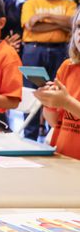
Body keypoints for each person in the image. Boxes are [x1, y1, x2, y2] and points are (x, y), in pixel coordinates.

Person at [20, 0, 76, 139]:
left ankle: (56, 137)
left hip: (61, 51)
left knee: (58, 91)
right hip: (34, 51)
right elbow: (31, 26)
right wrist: (61, 24)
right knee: (32, 93)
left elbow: (72, 22)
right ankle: (29, 138)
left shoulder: (68, 4)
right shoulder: (30, 4)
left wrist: (44, 15)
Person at [35, 10, 80, 159]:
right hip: (62, 156)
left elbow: (67, 104)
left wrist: (66, 102)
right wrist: (49, 103)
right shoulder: (68, 66)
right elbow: (55, 122)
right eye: (78, 27)